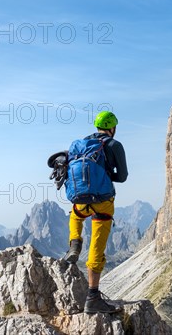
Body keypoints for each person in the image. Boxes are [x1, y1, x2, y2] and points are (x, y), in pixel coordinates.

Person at [63, 111, 128, 314]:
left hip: (81, 199)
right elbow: (123, 176)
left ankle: (75, 243)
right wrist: (108, 175)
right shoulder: (114, 145)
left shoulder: (84, 143)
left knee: (76, 216)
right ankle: (93, 298)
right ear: (113, 128)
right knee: (97, 247)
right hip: (103, 202)